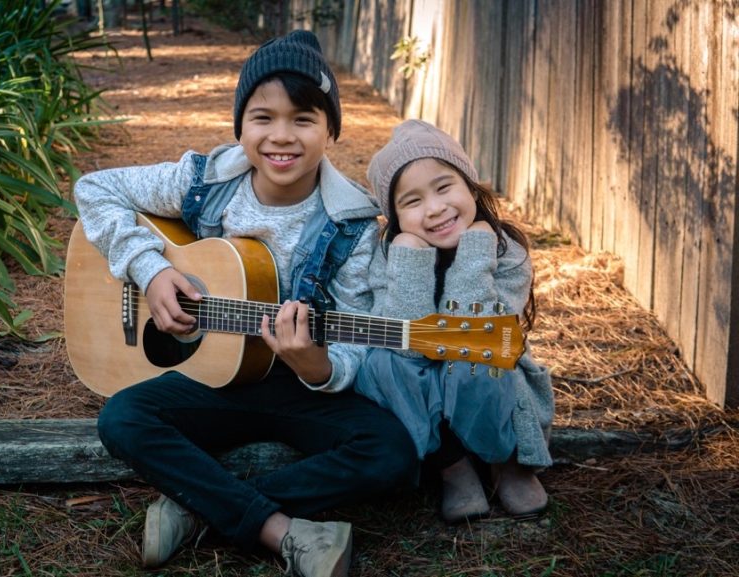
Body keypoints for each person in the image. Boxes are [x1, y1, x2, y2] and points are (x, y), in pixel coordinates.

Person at [73, 30, 418, 576]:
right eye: (263, 117)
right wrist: (152, 269)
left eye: (304, 119)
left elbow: (358, 333)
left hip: (293, 386)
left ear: (330, 129)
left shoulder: (353, 228)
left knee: (393, 453)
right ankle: (280, 531)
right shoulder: (204, 181)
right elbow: (94, 189)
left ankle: (196, 510)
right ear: (240, 126)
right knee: (123, 419)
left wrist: (318, 365)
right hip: (210, 380)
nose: (282, 137)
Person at [357, 119, 554, 524]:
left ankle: (505, 462)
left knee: (472, 354)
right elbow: (403, 342)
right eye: (411, 202)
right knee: (380, 362)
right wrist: (409, 256)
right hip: (427, 393)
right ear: (393, 217)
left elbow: (484, 335)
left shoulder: (505, 250)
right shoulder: (388, 256)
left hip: (492, 386)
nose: (434, 208)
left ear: (470, 187)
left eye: (444, 187)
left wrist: (475, 250)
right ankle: (454, 467)